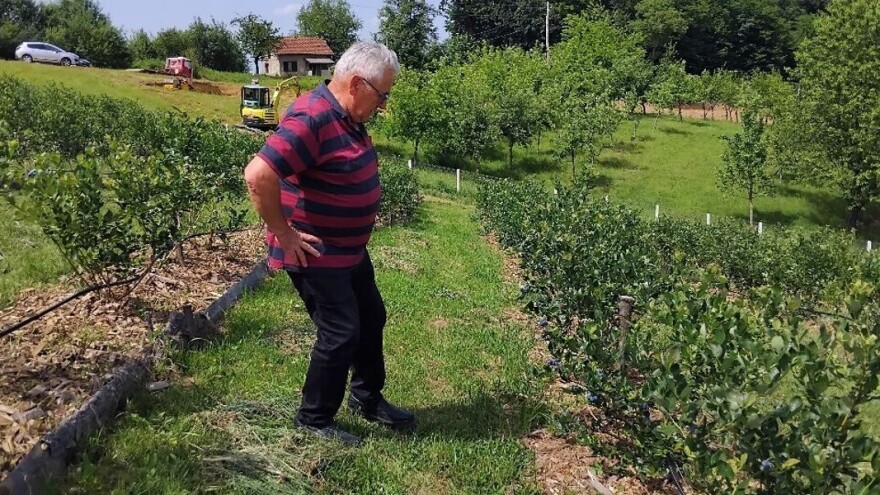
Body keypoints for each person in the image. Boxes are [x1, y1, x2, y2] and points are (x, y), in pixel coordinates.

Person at [243, 41, 413, 446]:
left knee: (371, 318)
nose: (384, 105)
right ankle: (314, 418)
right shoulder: (313, 118)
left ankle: (366, 398)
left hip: (348, 250)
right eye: (382, 95)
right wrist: (284, 233)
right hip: (316, 251)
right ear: (356, 84)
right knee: (340, 333)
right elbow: (258, 174)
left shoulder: (346, 115)